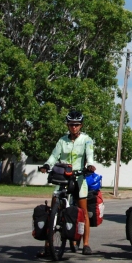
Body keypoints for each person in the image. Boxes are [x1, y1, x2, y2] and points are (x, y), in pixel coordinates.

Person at [38, 109, 96, 255]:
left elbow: (90, 154)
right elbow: (53, 156)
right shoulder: (62, 140)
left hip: (78, 178)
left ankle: (86, 244)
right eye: (71, 125)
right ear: (67, 125)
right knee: (53, 209)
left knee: (83, 212)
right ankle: (47, 245)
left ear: (81, 125)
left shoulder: (86, 140)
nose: (73, 127)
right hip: (62, 178)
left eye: (76, 125)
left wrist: (90, 165)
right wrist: (46, 165)